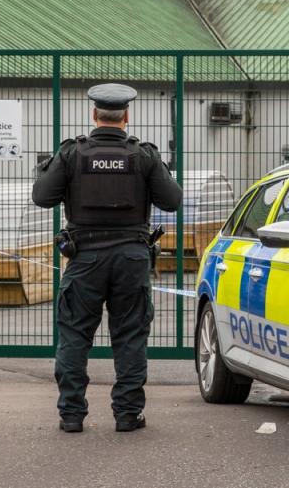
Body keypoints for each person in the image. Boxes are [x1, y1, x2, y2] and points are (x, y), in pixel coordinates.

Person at [32, 83, 182, 433]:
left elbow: (42, 196)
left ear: (93, 115)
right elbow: (172, 200)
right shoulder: (143, 155)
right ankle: (128, 414)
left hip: (84, 257)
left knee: (74, 335)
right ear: (126, 117)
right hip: (131, 257)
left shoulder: (72, 153)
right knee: (130, 335)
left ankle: (71, 415)